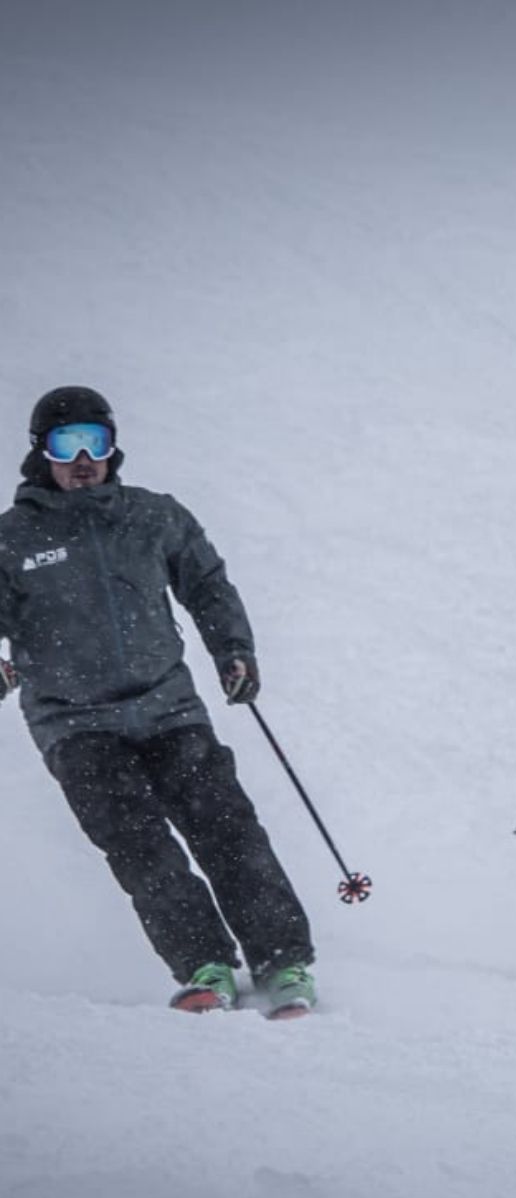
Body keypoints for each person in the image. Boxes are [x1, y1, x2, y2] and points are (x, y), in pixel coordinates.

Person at [0, 386, 317, 1017]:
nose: (83, 459)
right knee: (140, 845)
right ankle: (205, 965)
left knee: (226, 826)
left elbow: (207, 583)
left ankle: (283, 962)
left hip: (166, 706)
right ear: (42, 452)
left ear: (113, 447)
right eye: (67, 444)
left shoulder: (152, 516)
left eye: (96, 442)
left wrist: (233, 650)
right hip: (74, 722)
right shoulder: (13, 538)